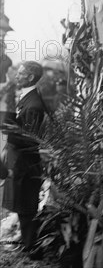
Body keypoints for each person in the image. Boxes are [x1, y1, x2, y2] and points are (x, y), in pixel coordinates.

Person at [2, 61, 46, 257]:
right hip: (19, 159)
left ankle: (31, 247)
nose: (17, 76)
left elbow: (30, 138)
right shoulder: (27, 97)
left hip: (25, 162)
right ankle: (26, 241)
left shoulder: (34, 104)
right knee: (21, 204)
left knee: (26, 206)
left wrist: (6, 129)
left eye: (20, 74)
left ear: (29, 78)